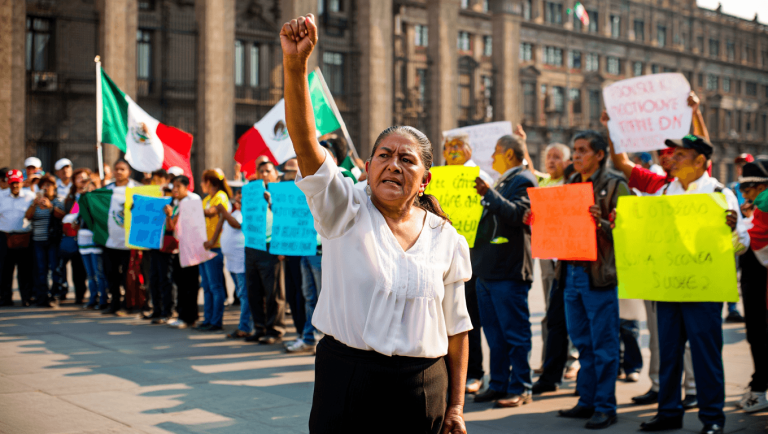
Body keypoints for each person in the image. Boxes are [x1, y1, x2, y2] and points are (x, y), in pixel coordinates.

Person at [282, 15, 471, 434]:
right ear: (366, 168)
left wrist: (455, 407)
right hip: (348, 381)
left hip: (424, 390)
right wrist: (295, 68)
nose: (393, 165)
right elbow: (305, 142)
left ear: (425, 179)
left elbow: (457, 328)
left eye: (407, 159)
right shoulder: (342, 210)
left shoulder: (447, 239)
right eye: (384, 155)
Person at [638, 135, 748, 434]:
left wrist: (731, 232)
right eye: (673, 154)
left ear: (701, 161)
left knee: (705, 355)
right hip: (668, 287)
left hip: (704, 290)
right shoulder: (663, 193)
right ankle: (668, 412)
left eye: (681, 155)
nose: (672, 159)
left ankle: (712, 417)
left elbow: (742, 244)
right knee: (668, 353)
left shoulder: (719, 193)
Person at [605, 100, 702, 409]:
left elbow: (704, 147)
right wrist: (612, 128)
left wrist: (696, 114)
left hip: (691, 271)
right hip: (656, 270)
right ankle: (661, 386)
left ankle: (694, 388)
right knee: (661, 334)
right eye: (663, 153)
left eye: (673, 153)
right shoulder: (657, 183)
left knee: (689, 336)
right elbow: (621, 162)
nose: (667, 157)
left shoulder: (699, 181)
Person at [552, 130, 629, 429]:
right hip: (571, 272)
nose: (576, 155)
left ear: (600, 154)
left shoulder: (615, 184)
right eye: (575, 150)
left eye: (583, 150)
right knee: (582, 342)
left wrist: (602, 224)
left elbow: (628, 235)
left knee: (604, 345)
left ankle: (605, 407)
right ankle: (587, 401)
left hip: (598, 276)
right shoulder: (572, 183)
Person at [470, 134, 537, 409]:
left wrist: (489, 194)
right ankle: (498, 383)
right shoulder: (503, 180)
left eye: (496, 151)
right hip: (488, 269)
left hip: (509, 270)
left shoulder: (524, 180)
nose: (491, 157)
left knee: (514, 333)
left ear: (509, 154)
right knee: (494, 334)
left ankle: (521, 386)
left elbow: (519, 214)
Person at [442, 132, 493, 393]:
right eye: (448, 147)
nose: (451, 151)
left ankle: (475, 372)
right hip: (442, 255)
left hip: (472, 257)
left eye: (457, 147)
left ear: (469, 150)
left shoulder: (481, 178)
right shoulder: (436, 177)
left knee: (467, 317)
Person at [732, 159, 768, 413]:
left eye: (747, 189)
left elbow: (747, 241)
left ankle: (759, 390)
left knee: (758, 334)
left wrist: (737, 225)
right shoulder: (759, 205)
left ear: (760, 186)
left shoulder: (764, 202)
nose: (744, 195)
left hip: (759, 285)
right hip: (757, 282)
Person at [245, 160, 286, 344]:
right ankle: (259, 327)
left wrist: (271, 202)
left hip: (271, 246)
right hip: (253, 245)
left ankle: (274, 329)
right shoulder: (252, 192)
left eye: (268, 171)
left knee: (273, 292)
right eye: (260, 171)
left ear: (276, 174)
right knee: (254, 290)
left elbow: (287, 219)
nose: (264, 174)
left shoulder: (282, 194)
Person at [164, 175, 202, 329]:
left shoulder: (193, 200)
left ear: (187, 187)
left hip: (191, 250)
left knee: (190, 284)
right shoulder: (176, 204)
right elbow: (171, 227)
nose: (175, 190)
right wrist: (168, 214)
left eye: (178, 186)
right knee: (180, 282)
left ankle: (190, 317)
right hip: (179, 249)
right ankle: (182, 315)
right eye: (173, 186)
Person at [102, 159, 138, 315]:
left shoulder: (137, 189)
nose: (118, 172)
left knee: (127, 276)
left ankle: (127, 305)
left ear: (129, 172)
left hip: (128, 242)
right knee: (111, 274)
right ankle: (114, 303)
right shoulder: (106, 189)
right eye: (116, 169)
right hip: (110, 241)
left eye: (122, 169)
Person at [198, 169, 232, 332]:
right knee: (206, 285)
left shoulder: (221, 197)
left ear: (209, 182)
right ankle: (207, 319)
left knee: (215, 286)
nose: (201, 185)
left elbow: (215, 216)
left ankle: (216, 321)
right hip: (204, 247)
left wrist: (212, 240)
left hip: (215, 246)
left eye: (203, 182)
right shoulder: (206, 199)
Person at [25, 175, 66, 307]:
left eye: (49, 185)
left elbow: (63, 217)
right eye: (43, 185)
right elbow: (28, 216)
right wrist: (34, 204)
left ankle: (55, 296)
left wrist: (51, 207)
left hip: (53, 241)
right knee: (41, 269)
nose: (46, 188)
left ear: (54, 187)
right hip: (38, 241)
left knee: (54, 269)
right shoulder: (35, 202)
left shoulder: (58, 201)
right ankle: (42, 296)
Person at [0, 170, 35, 306]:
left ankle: (26, 297)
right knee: (4, 270)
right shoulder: (1, 196)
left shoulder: (30, 196)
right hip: (5, 236)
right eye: (12, 182)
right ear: (8, 183)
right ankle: (5, 297)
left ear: (22, 182)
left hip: (24, 236)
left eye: (17, 182)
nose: (15, 185)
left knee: (25, 270)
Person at [146, 169, 175, 324]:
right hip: (153, 241)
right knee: (154, 277)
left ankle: (167, 311)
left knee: (165, 278)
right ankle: (156, 309)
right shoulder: (152, 196)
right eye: (154, 181)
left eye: (158, 180)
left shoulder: (172, 198)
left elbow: (173, 225)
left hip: (166, 244)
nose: (155, 184)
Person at [58, 169, 91, 304]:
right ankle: (64, 292)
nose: (82, 181)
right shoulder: (70, 198)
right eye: (79, 178)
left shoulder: (90, 196)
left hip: (85, 235)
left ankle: (81, 294)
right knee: (66, 267)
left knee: (81, 269)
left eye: (84, 178)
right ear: (74, 181)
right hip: (71, 237)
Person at [77, 177, 109, 310]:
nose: (85, 189)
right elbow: (74, 214)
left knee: (99, 272)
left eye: (88, 186)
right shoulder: (79, 200)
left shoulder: (98, 200)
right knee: (90, 274)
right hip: (83, 239)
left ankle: (103, 299)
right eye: (82, 186)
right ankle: (93, 298)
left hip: (95, 238)